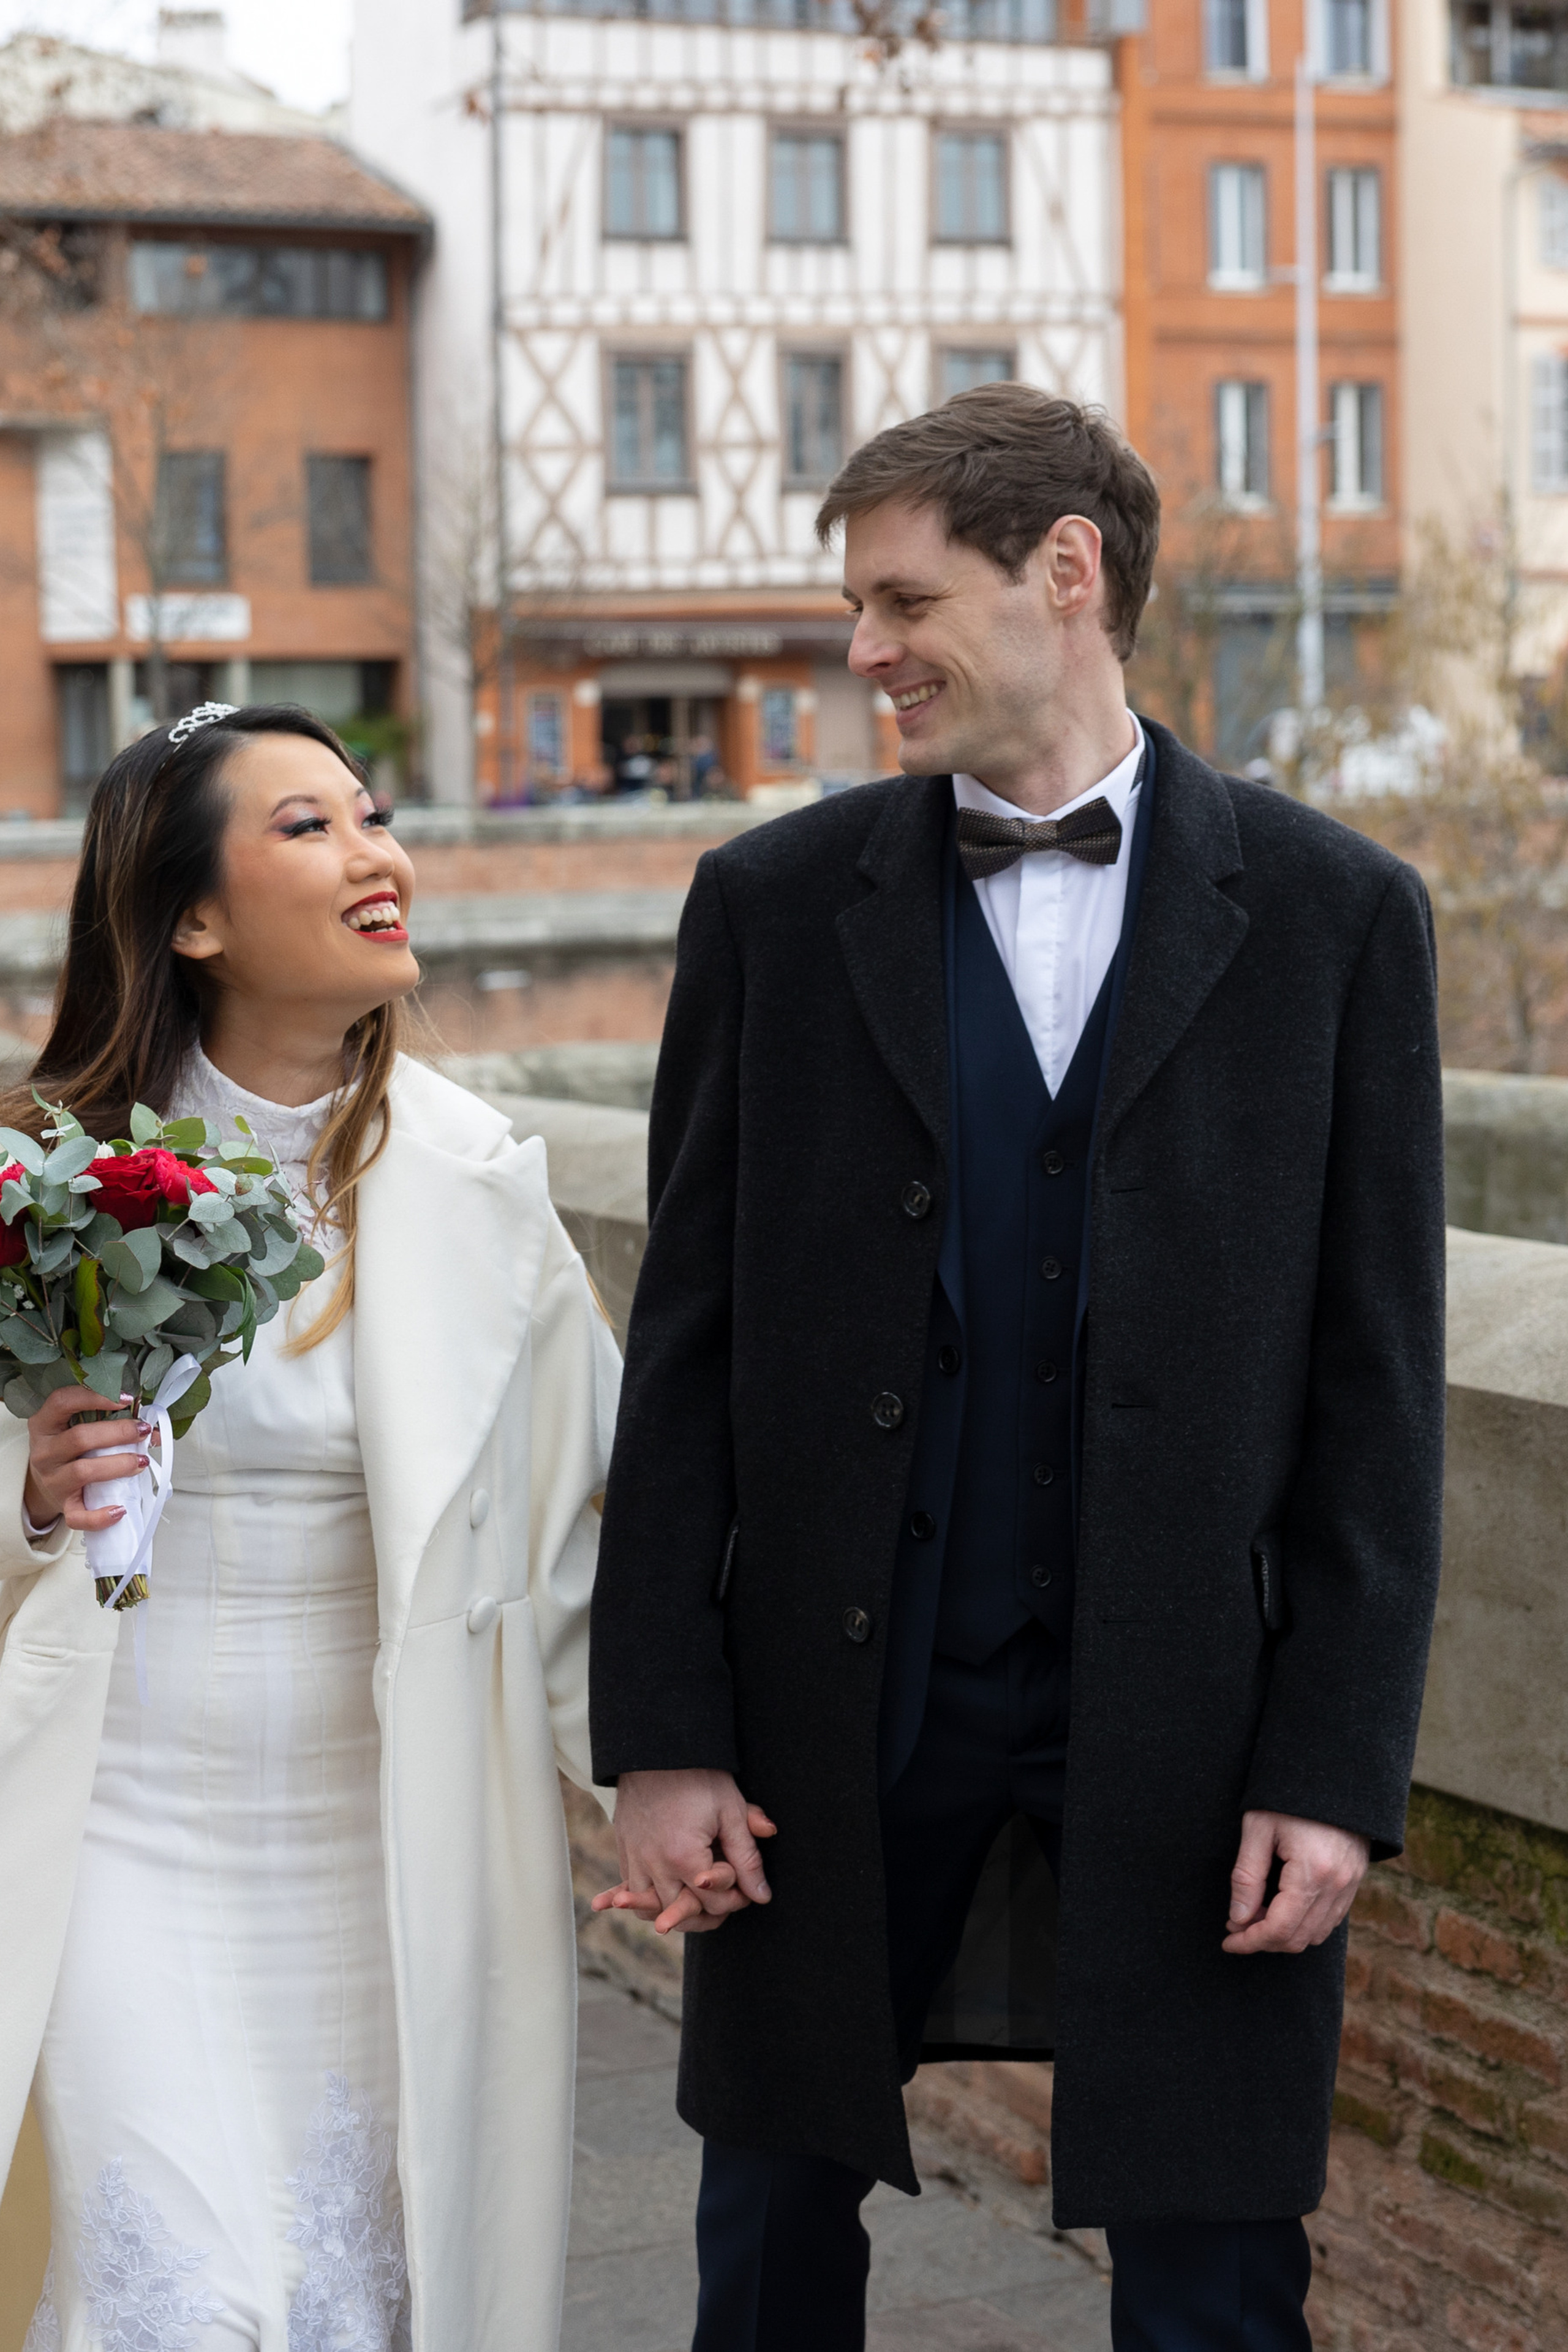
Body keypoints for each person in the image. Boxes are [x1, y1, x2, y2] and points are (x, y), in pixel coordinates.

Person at [587, 386, 1446, 2351]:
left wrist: (1334, 1769)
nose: (866, 649)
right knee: (772, 2234)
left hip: (1195, 1726)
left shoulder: (1336, 921)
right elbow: (690, 1354)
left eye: (905, 599)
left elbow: (1377, 1401)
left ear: (1068, 574)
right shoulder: (774, 911)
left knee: (1223, 2264)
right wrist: (666, 1729)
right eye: (859, 607)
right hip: (832, 1712)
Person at [0, 703, 618, 2351]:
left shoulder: (484, 1184)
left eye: (375, 816)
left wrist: (653, 1780)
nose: (377, 856)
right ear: (190, 917)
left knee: (360, 2302)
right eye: (309, 828)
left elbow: (581, 1537)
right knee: (180, 2298)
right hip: (114, 1831)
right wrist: (28, 1494)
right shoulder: (44, 1178)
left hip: (392, 1850)